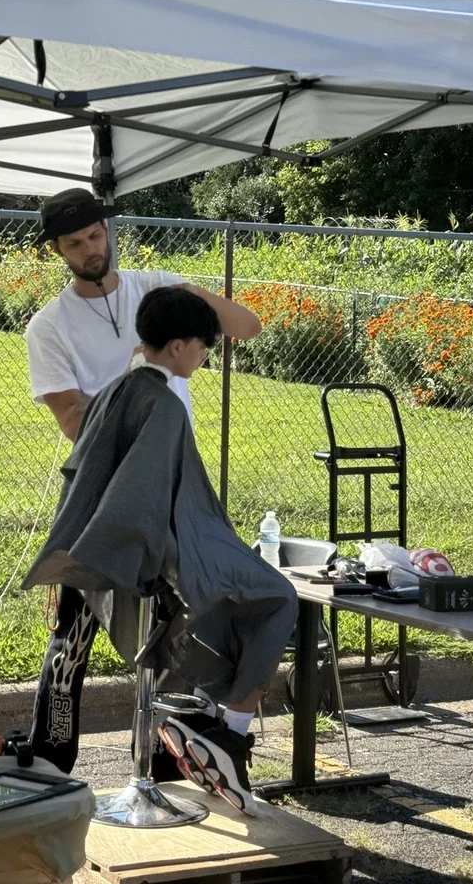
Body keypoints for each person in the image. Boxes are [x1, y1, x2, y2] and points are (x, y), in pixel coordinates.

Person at [23, 287, 298, 817]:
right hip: (163, 553)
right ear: (176, 347)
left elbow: (85, 481)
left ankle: (209, 735)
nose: (204, 357)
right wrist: (169, 564)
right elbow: (149, 502)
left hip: (113, 548)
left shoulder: (111, 393)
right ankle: (229, 735)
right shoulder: (166, 407)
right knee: (278, 597)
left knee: (250, 598)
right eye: (202, 347)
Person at [25, 187, 260, 440]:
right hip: (112, 468)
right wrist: (129, 381)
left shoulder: (157, 287)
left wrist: (194, 293)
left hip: (176, 457)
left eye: (94, 236)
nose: (90, 250)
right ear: (56, 249)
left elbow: (248, 327)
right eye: (75, 243)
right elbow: (73, 425)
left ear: (105, 229)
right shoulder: (48, 327)